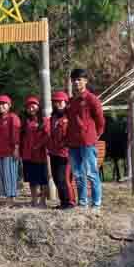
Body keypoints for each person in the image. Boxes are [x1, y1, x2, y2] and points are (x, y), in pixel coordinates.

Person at [66, 69, 105, 210]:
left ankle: (96, 204)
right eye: (74, 79)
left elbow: (100, 120)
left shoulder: (92, 99)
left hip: (88, 143)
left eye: (79, 79)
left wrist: (96, 135)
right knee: (77, 175)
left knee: (91, 173)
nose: (76, 82)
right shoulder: (71, 102)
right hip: (73, 143)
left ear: (85, 81)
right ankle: (82, 203)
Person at [20, 96, 50, 208]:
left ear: (38, 106)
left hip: (40, 155)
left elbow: (47, 136)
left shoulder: (44, 120)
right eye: (28, 106)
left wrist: (38, 145)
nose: (31, 108)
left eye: (33, 105)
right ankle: (34, 200)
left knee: (43, 179)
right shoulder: (25, 121)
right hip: (28, 155)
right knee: (32, 179)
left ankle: (43, 201)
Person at [48, 91, 76, 210]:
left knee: (64, 178)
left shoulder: (70, 116)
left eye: (60, 102)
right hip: (54, 152)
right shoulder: (53, 117)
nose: (58, 104)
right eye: (56, 102)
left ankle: (70, 202)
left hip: (66, 153)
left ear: (65, 103)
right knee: (56, 178)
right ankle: (63, 202)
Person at [0, 95, 21, 206]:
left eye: (4, 104)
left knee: (10, 175)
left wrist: (16, 148)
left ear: (9, 105)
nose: (1, 106)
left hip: (10, 151)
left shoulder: (13, 117)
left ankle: (11, 198)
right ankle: (4, 197)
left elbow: (16, 134)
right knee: (1, 176)